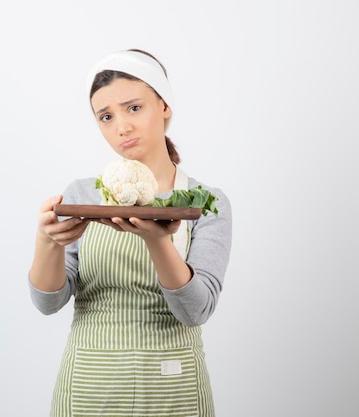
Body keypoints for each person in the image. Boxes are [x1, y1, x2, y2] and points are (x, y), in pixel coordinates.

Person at [28, 48, 233, 417]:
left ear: (164, 106)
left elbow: (196, 309)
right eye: (106, 117)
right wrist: (47, 242)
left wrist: (159, 241)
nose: (121, 126)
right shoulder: (83, 195)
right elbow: (49, 303)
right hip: (91, 388)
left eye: (133, 108)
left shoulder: (204, 201)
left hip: (175, 390)